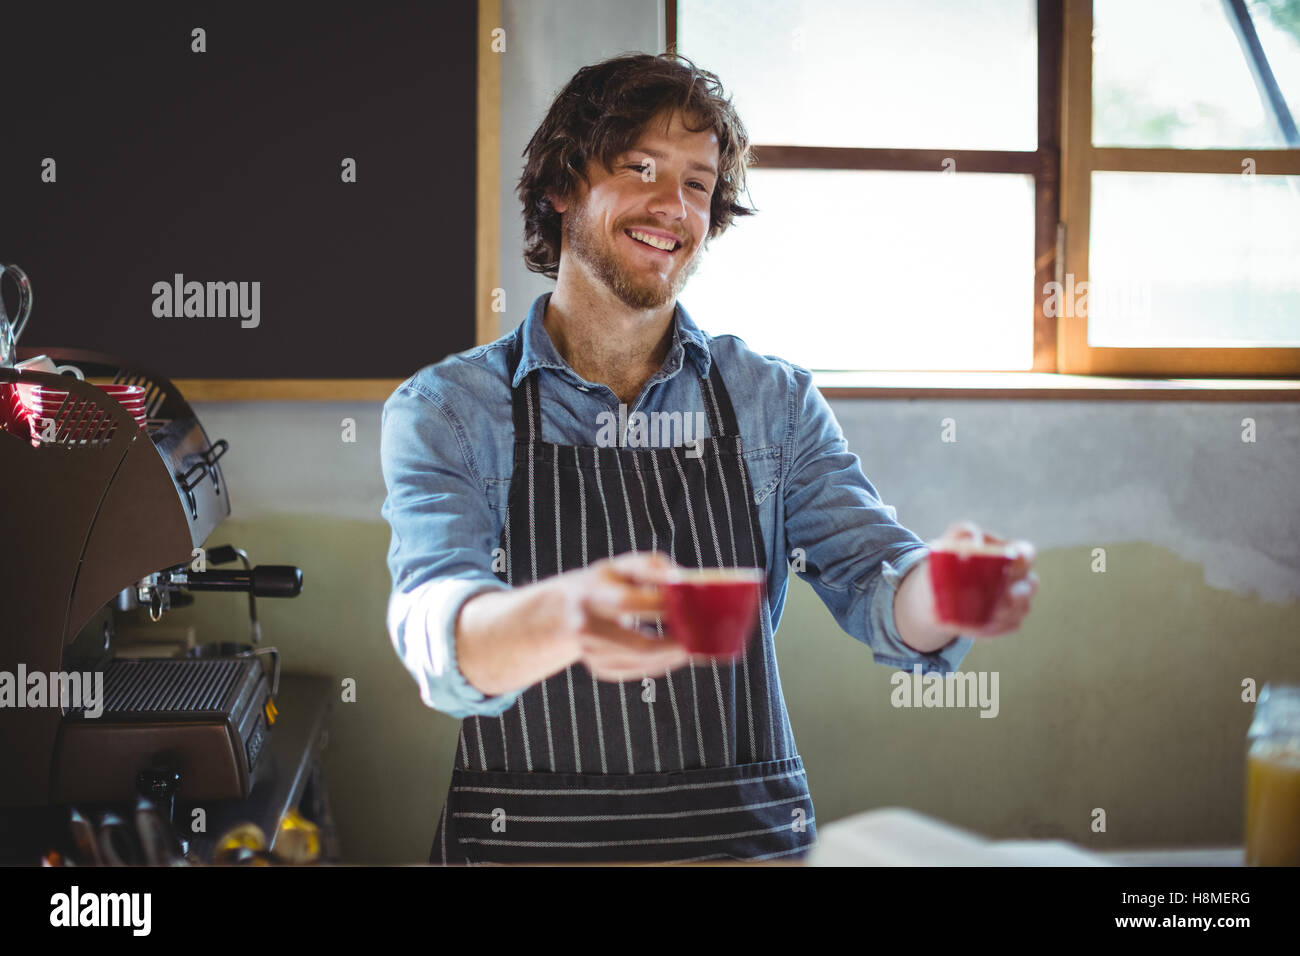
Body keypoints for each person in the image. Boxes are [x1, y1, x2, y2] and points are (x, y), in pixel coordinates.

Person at [380, 52, 1037, 865]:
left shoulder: (773, 402)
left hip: (739, 843)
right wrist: (569, 616)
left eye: (698, 182)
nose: (673, 206)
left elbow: (877, 582)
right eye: (641, 167)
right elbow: (437, 627)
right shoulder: (448, 409)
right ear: (560, 187)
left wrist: (947, 588)